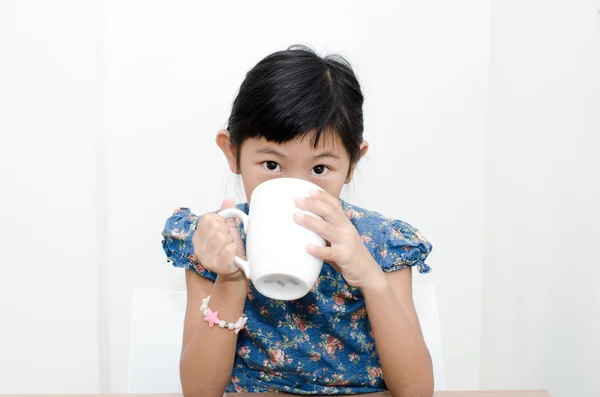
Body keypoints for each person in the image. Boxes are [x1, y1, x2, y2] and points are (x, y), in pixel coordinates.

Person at [161, 45, 434, 397]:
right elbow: (200, 391)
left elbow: (416, 390)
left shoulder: (382, 244)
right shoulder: (216, 240)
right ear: (232, 152)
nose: (296, 186)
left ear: (353, 163)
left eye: (320, 169)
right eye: (271, 165)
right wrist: (229, 280)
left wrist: (369, 276)